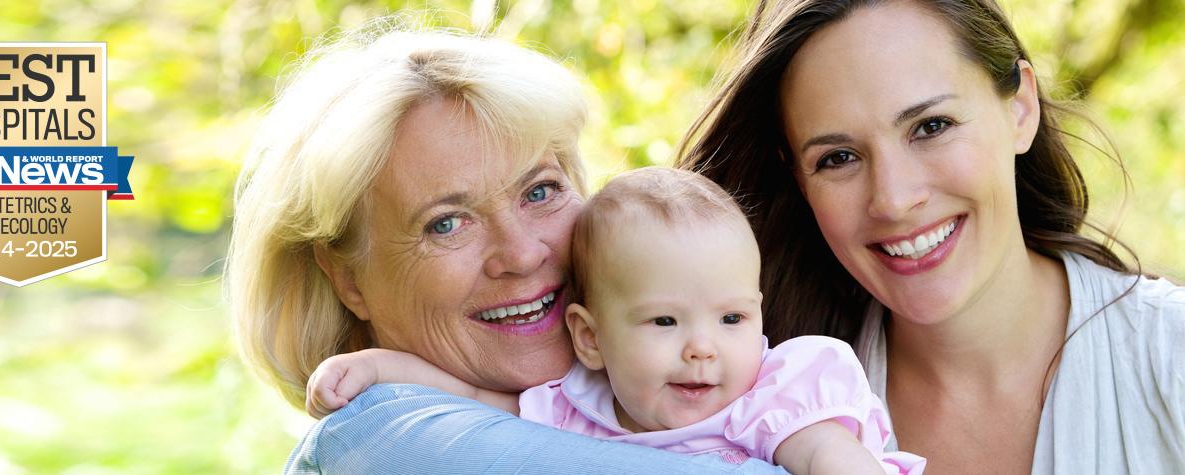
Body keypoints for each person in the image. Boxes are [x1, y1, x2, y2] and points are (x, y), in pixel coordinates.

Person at [676, 0, 1185, 473]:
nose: (894, 199)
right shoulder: (737, 396)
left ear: (1019, 107)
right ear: (797, 178)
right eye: (839, 157)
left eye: (931, 126)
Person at [228, 25, 785, 473]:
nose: (521, 254)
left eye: (539, 191)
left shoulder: (641, 387)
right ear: (347, 279)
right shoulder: (384, 432)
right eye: (446, 223)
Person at [308, 167, 928, 474]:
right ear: (589, 337)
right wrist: (375, 368)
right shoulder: (576, 405)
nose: (702, 349)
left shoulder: (772, 394)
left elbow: (831, 458)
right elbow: (472, 397)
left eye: (733, 317)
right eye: (664, 322)